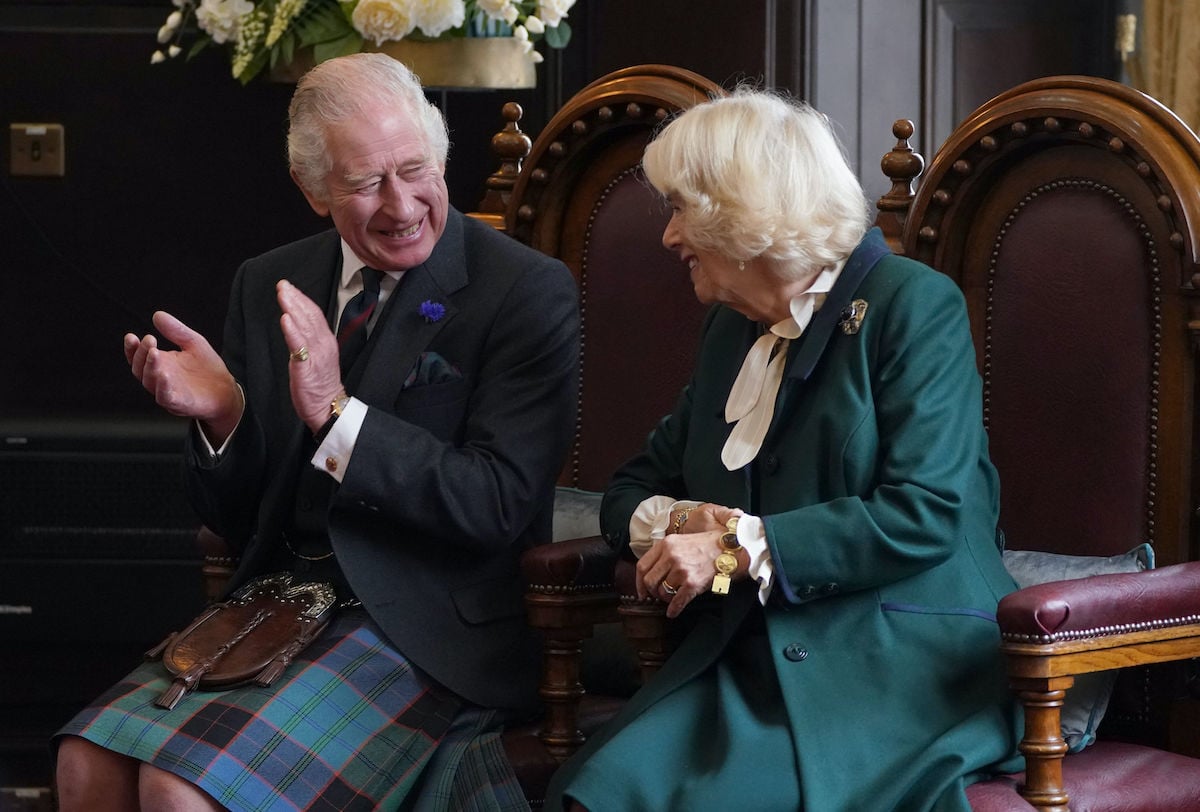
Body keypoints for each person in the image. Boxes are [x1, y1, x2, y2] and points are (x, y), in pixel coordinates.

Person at [54, 52, 579, 811]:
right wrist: (225, 419)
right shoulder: (269, 280)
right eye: (367, 184)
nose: (401, 205)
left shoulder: (523, 291)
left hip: (424, 626)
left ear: (440, 156)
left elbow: (496, 501)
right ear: (312, 190)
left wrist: (339, 414)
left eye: (415, 169)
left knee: (177, 789)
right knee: (84, 764)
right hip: (277, 600)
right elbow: (237, 520)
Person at [544, 89, 1023, 811]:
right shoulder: (732, 330)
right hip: (753, 656)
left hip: (904, 666)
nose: (669, 237)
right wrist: (682, 528)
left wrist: (735, 548)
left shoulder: (913, 305)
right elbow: (630, 489)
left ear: (742, 212)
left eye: (680, 208)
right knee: (591, 796)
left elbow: (928, 513)